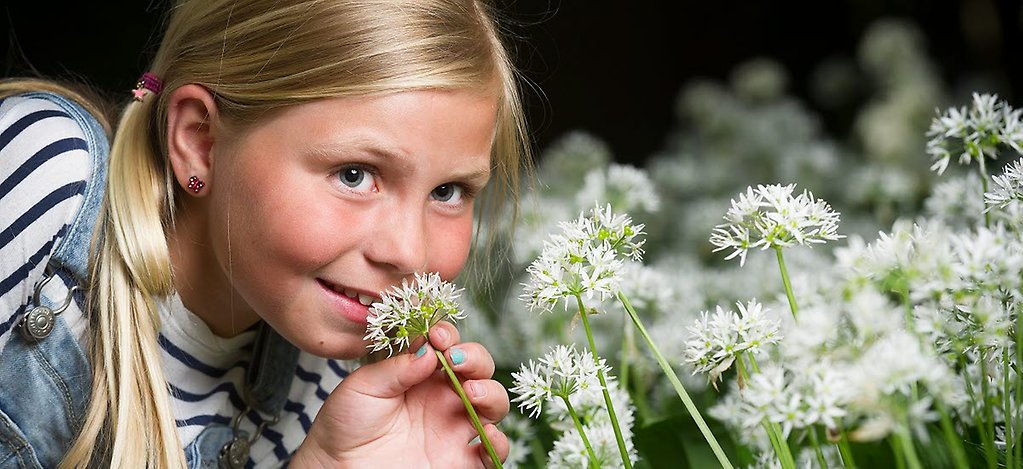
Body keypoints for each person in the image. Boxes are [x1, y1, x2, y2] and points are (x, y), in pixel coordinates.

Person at [0, 0, 533, 467]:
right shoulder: (47, 178)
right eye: (354, 175)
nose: (408, 252)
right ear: (201, 142)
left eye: (449, 192)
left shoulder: (329, 394)